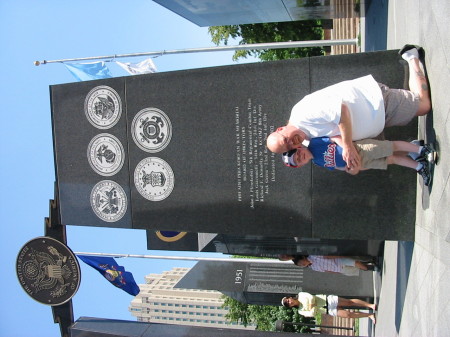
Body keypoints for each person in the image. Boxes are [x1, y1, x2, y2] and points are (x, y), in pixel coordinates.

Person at [266, 45, 431, 171]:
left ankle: (411, 57)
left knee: (423, 106)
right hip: (374, 122)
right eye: (288, 147)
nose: (291, 143)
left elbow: (341, 111)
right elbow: (335, 139)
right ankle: (414, 148)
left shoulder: (302, 113)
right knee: (386, 152)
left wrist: (348, 146)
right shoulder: (307, 141)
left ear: (281, 128)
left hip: (374, 102)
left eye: (285, 139)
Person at [282, 136, 435, 186]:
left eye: (298, 154)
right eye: (297, 161)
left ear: (299, 148)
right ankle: (419, 167)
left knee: (391, 147)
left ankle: (422, 150)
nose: (300, 157)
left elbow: (335, 138)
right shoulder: (317, 162)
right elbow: (337, 167)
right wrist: (352, 170)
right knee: (391, 159)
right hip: (360, 163)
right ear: (301, 165)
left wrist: (348, 149)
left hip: (358, 149)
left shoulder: (315, 143)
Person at [281, 292, 376, 323]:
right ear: (290, 306)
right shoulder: (300, 311)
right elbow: (312, 314)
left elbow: (311, 297)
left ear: (290, 297)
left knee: (349, 302)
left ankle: (370, 305)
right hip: (327, 310)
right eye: (288, 304)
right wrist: (312, 306)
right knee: (348, 315)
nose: (289, 302)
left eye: (288, 300)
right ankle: (369, 315)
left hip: (328, 300)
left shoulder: (301, 295)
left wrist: (311, 306)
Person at [278, 254, 377, 275]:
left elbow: (327, 257)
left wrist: (339, 257)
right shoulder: (313, 267)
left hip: (338, 261)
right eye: (301, 265)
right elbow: (326, 271)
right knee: (357, 269)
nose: (303, 264)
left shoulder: (313, 256)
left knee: (356, 263)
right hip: (339, 269)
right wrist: (337, 272)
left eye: (301, 262)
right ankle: (373, 268)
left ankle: (373, 264)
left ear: (303, 258)